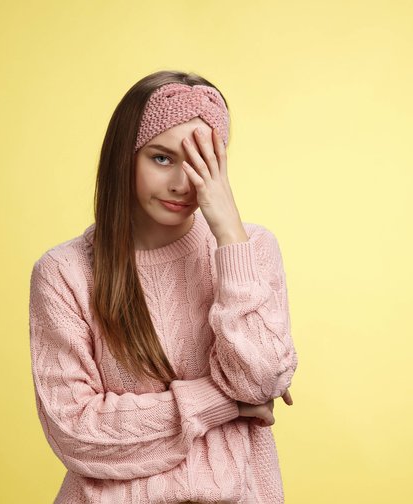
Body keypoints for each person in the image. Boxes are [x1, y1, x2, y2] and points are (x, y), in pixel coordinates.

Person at [28, 70, 298, 503]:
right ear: (125, 158)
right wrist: (223, 403)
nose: (182, 182)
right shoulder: (65, 272)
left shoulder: (251, 250)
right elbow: (77, 430)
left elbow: (259, 380)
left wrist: (228, 231)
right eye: (161, 158)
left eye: (202, 161)